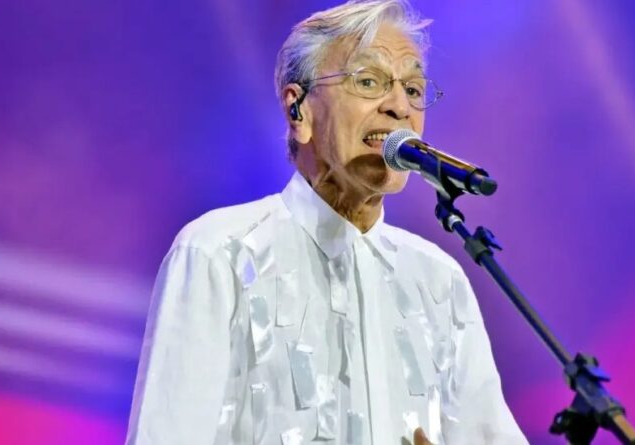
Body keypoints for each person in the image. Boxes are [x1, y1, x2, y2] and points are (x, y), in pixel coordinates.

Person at [126, 1, 528, 444]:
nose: (400, 107)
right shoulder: (219, 253)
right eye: (368, 81)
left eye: (413, 89)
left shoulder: (438, 281)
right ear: (298, 111)